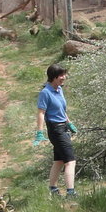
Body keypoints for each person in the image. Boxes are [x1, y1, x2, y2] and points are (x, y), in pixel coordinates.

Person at [34, 63, 77, 198]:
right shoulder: (45, 93)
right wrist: (39, 132)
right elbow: (41, 113)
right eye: (61, 75)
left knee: (58, 160)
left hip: (63, 127)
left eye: (64, 75)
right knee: (70, 161)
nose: (64, 77)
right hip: (55, 129)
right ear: (53, 77)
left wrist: (69, 124)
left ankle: (53, 189)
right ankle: (71, 192)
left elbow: (62, 110)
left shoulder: (59, 89)